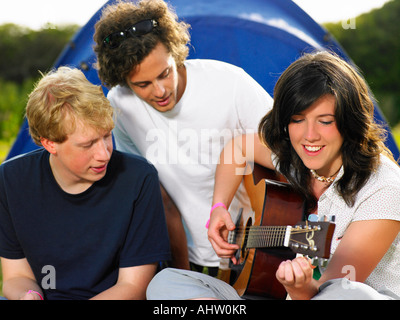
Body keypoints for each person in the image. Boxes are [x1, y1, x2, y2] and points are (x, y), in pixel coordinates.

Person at [146, 51, 400, 300]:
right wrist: (219, 207)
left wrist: (300, 289)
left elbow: (329, 287)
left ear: (350, 122)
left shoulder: (383, 187)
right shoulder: (295, 158)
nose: (309, 135)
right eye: (297, 120)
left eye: (325, 121)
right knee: (166, 283)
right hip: (283, 293)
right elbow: (237, 148)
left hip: (341, 295)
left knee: (350, 294)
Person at [93, 0, 273, 274]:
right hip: (190, 258)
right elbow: (158, 195)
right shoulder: (120, 104)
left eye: (165, 73)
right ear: (124, 81)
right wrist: (181, 272)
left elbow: (290, 153)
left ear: (175, 53)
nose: (160, 90)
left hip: (260, 249)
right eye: (142, 84)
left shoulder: (231, 84)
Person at [0, 67, 170, 300]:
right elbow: (14, 277)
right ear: (50, 144)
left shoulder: (139, 178)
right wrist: (28, 295)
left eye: (106, 136)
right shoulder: (10, 180)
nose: (104, 154)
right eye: (88, 144)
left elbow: (134, 287)